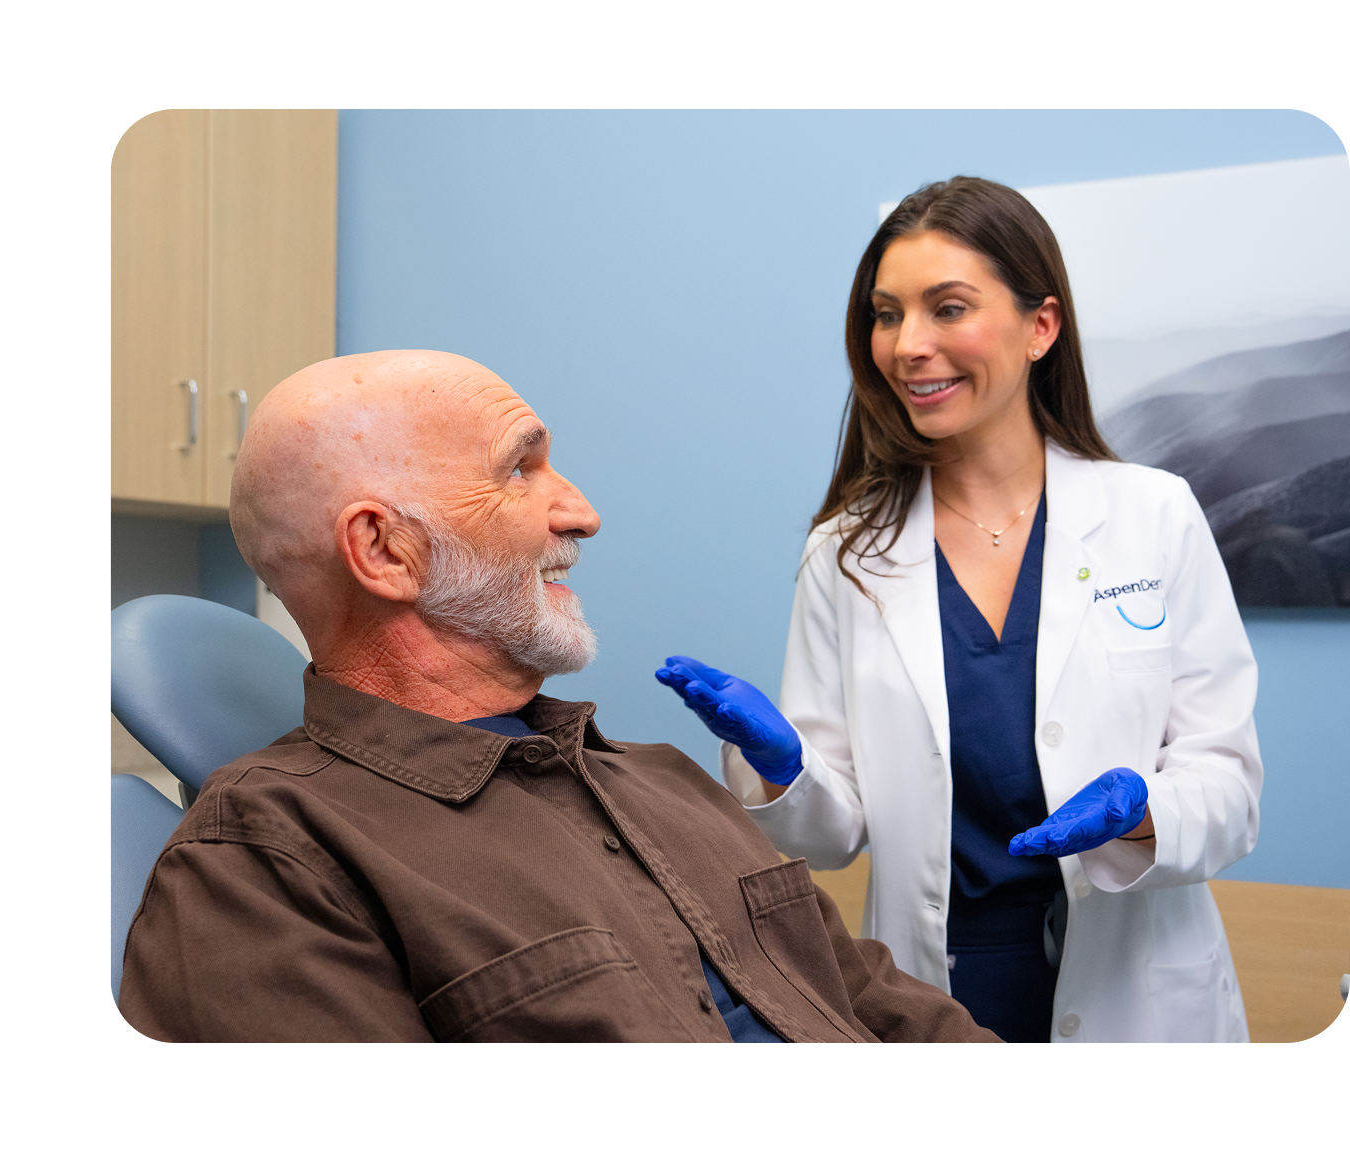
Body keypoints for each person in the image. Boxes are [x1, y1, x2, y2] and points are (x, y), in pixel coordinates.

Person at [117, 349, 999, 1043]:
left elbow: (876, 1003)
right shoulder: (266, 866)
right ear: (385, 551)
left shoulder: (665, 782)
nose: (582, 512)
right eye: (519, 470)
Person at [657, 177, 1262, 1043]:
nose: (908, 345)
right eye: (886, 314)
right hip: (937, 993)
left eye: (947, 308)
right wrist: (783, 767)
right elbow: (832, 833)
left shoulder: (1152, 515)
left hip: (1138, 995)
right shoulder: (846, 552)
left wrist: (1143, 814)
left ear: (1040, 327)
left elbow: (1229, 784)